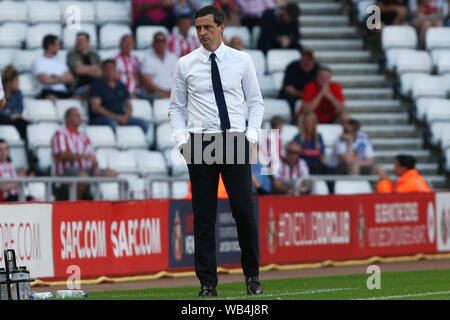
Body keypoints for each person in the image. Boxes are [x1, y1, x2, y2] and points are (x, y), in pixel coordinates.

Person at [168, 6, 264, 297]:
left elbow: (256, 102)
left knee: (244, 213)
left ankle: (252, 276)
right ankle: (207, 283)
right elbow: (176, 107)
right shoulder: (185, 64)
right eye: (198, 28)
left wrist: (250, 137)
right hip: (200, 143)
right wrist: (183, 141)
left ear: (222, 28)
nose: (202, 33)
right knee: (204, 218)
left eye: (207, 27)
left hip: (234, 141)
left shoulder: (241, 60)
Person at [51, 108, 118, 200]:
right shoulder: (60, 134)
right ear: (67, 118)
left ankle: (105, 204)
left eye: (80, 116)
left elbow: (92, 155)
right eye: (76, 115)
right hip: (66, 171)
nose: (80, 118)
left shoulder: (83, 136)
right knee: (83, 176)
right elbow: (61, 155)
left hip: (87, 170)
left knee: (112, 173)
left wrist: (95, 167)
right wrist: (82, 156)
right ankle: (76, 205)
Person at [89, 59, 149, 134]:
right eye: (107, 69)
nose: (109, 71)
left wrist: (125, 117)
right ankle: (116, 144)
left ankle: (142, 143)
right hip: (102, 118)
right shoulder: (97, 85)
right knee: (113, 123)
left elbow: (129, 106)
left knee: (143, 123)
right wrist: (116, 117)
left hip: (121, 117)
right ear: (103, 70)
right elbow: (95, 108)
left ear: (115, 70)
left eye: (111, 68)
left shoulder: (120, 85)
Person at [279, 49, 320, 123]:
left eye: (310, 64)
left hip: (310, 95)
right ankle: (294, 120)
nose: (308, 66)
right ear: (301, 60)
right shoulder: (292, 67)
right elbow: (288, 87)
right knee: (291, 100)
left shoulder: (317, 68)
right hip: (294, 94)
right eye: (306, 64)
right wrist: (301, 94)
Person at [32, 35, 74, 102]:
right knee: (52, 99)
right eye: (57, 44)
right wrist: (63, 78)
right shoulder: (39, 61)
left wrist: (53, 77)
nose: (59, 47)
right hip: (47, 92)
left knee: (78, 99)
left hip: (63, 92)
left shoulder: (60, 61)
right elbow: (45, 81)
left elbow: (70, 78)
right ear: (50, 46)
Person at [141, 32, 178, 99]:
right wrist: (165, 93)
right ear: (153, 43)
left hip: (173, 92)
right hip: (156, 93)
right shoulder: (147, 58)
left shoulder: (173, 57)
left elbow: (179, 79)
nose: (161, 44)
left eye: (163, 41)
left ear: (166, 43)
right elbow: (148, 84)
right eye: (158, 41)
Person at [67, 32, 102, 100]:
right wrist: (94, 68)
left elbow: (101, 73)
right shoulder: (72, 55)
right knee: (92, 90)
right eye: (78, 40)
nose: (79, 43)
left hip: (96, 86)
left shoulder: (95, 56)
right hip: (78, 88)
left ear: (88, 42)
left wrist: (83, 68)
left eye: (82, 40)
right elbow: (78, 70)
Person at [0, 65, 29, 142]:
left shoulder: (18, 93)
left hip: (13, 118)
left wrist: (10, 113)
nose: (18, 83)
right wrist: (10, 115)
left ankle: (24, 144)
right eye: (16, 80)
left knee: (24, 123)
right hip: (2, 118)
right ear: (9, 82)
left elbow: (20, 108)